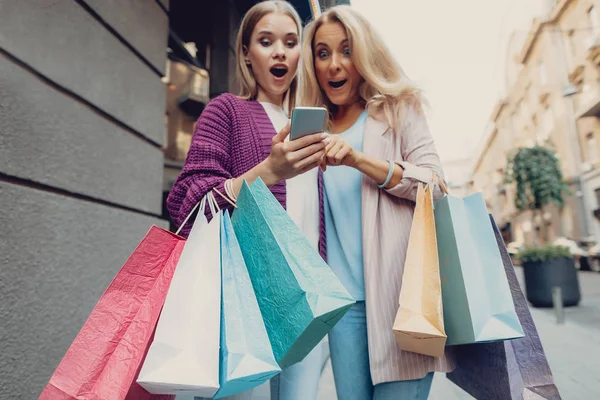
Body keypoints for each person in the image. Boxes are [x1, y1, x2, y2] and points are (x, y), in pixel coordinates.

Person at [166, 2, 326, 399]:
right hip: (245, 304)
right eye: (265, 41)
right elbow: (187, 203)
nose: (279, 52)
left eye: (291, 42)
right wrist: (267, 172)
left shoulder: (310, 125)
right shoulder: (227, 111)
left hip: (305, 305)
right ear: (245, 54)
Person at [299, 5, 456, 400]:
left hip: (404, 300)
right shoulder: (308, 128)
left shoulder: (397, 109)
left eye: (347, 51)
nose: (334, 65)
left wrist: (357, 160)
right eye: (322, 53)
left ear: (364, 55)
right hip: (343, 309)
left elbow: (434, 184)